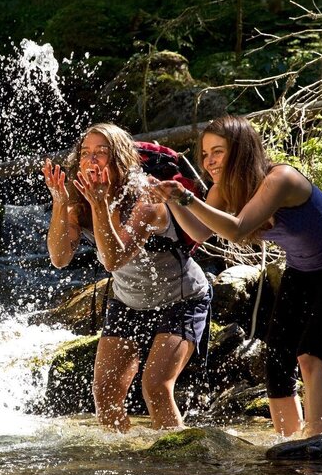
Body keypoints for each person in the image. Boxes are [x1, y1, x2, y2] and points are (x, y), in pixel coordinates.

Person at [147, 115, 322, 437]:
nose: (209, 161)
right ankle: (287, 442)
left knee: (310, 357)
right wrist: (174, 201)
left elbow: (238, 231)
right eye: (205, 154)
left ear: (241, 149)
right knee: (277, 361)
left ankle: (317, 441)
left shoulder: (280, 178)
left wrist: (186, 197)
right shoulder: (224, 188)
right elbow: (198, 230)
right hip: (302, 269)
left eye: (218, 152)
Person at [42, 123, 212, 432]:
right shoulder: (79, 200)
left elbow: (112, 259)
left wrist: (101, 206)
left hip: (182, 299)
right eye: (85, 153)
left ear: (119, 158)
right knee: (105, 395)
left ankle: (180, 465)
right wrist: (59, 202)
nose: (91, 161)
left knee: (156, 388)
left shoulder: (147, 199)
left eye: (101, 153)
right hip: (127, 301)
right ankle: (125, 466)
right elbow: (59, 258)